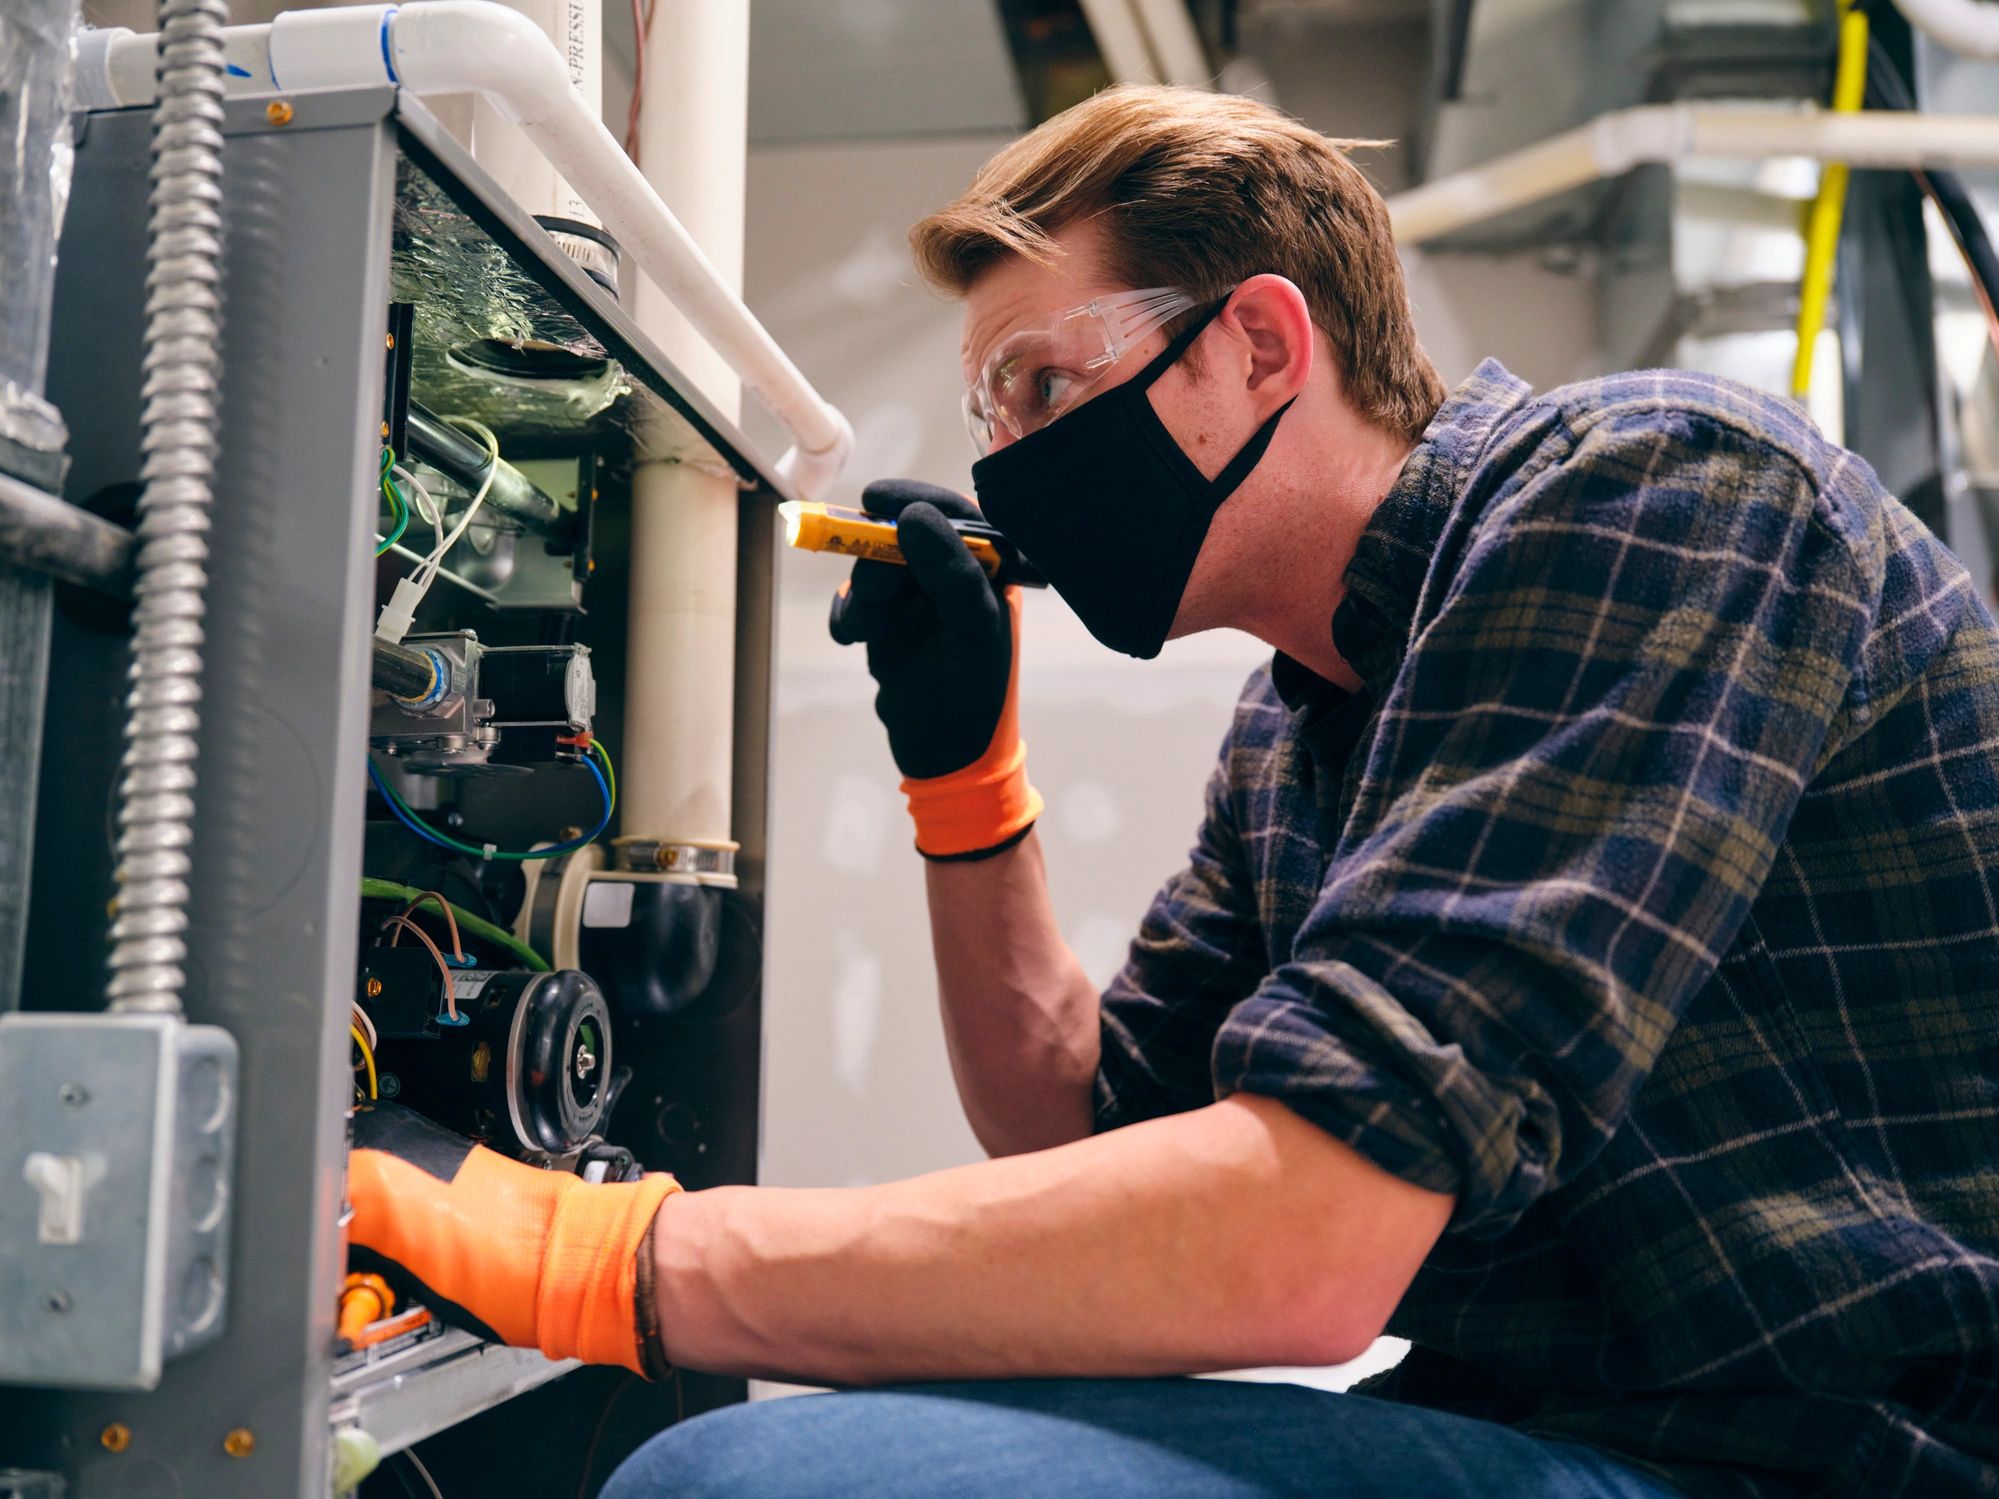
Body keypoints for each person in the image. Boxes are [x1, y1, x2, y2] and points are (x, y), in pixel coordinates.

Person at [347, 85, 1999, 1498]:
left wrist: (598, 1256)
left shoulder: (1653, 492)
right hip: (1549, 1425)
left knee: (746, 1482)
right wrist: (963, 781)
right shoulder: (1304, 727)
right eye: (990, 409)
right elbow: (1079, 1120)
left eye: (1044, 389)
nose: (1006, 466)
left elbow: (1299, 1245)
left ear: (1264, 342)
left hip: (1833, 1454)